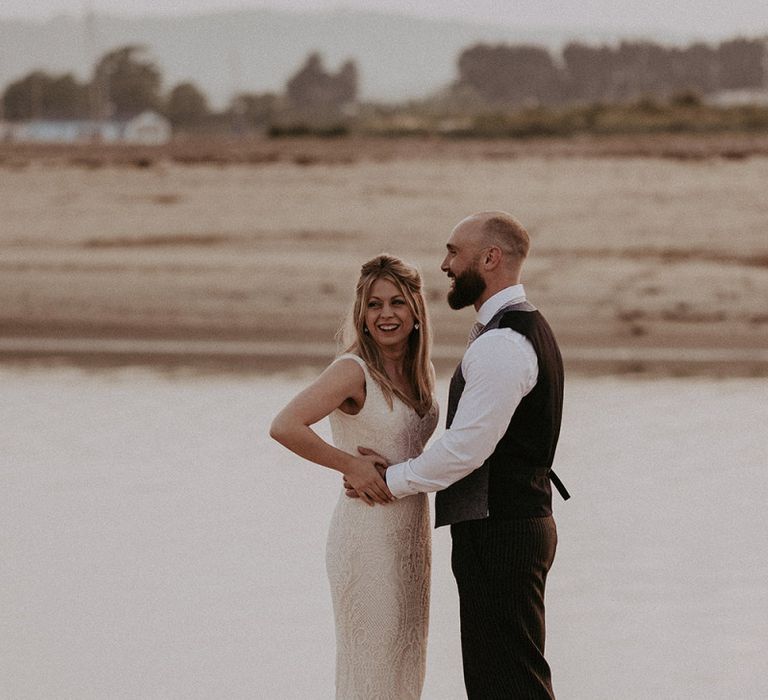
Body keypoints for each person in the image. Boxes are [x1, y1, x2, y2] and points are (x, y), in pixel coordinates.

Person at [348, 211, 569, 699]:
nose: (445, 264)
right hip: (509, 523)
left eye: (453, 251)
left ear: (490, 258)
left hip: (501, 529)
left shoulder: (504, 343)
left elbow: (466, 447)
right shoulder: (517, 330)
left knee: (507, 684)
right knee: (507, 678)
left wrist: (393, 479)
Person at [270, 254, 439, 700]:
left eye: (398, 303)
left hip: (411, 535)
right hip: (366, 536)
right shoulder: (352, 370)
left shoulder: (423, 374)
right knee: (372, 668)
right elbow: (285, 425)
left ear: (417, 311)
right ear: (361, 315)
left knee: (406, 663)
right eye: (374, 305)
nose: (386, 315)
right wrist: (350, 464)